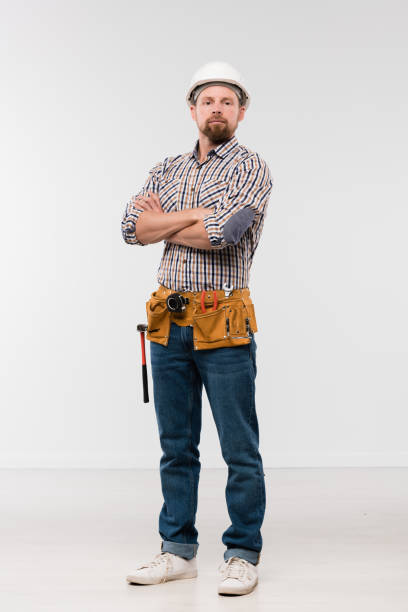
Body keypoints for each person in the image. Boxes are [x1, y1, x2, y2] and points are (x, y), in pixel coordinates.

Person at [121, 61, 274, 596]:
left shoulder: (251, 166)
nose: (217, 109)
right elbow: (130, 228)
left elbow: (228, 233)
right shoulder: (166, 167)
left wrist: (167, 222)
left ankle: (241, 553)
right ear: (192, 110)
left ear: (241, 111)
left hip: (224, 321)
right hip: (169, 321)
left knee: (239, 447)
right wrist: (192, 217)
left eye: (227, 102)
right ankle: (177, 551)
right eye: (207, 101)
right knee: (176, 445)